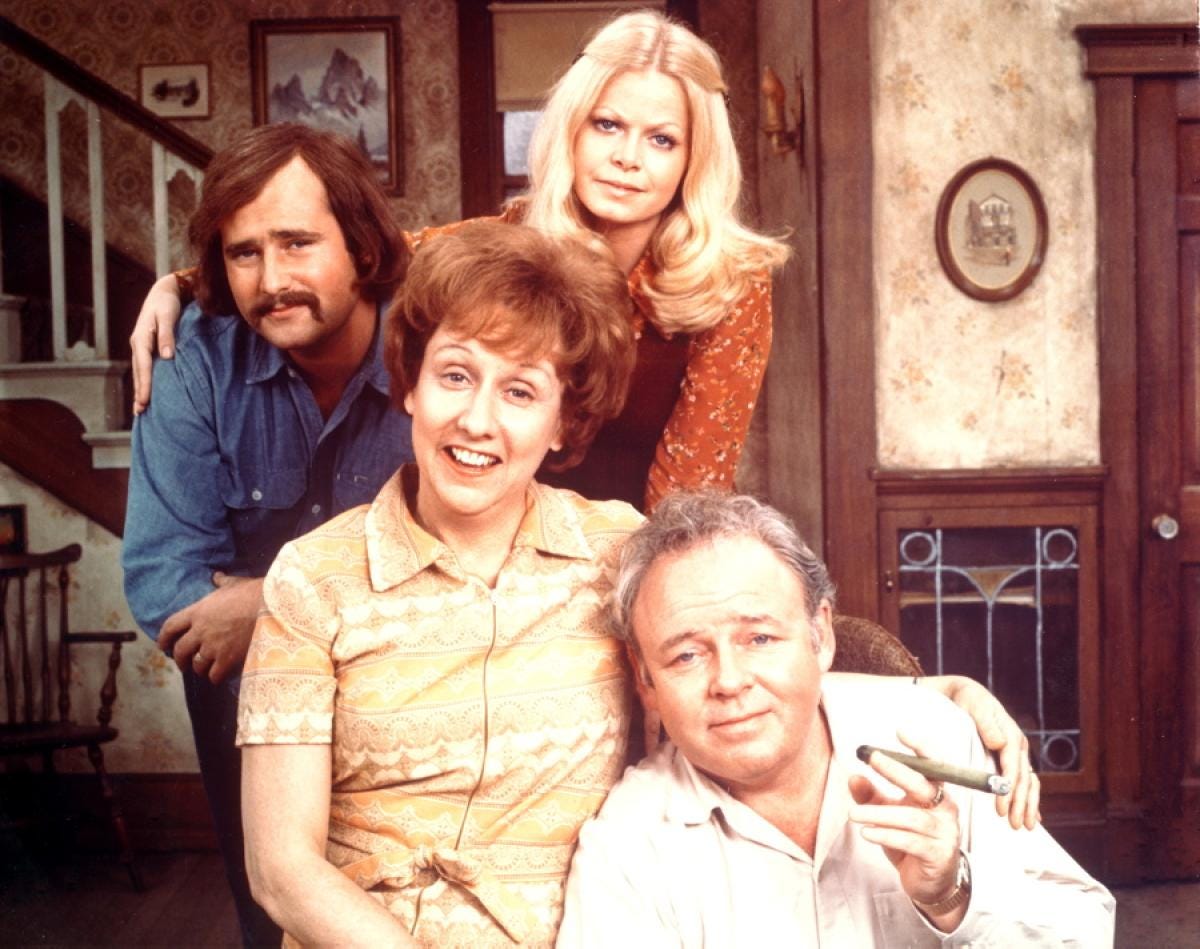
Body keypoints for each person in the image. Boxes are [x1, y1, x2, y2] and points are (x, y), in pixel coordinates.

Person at [127, 10, 788, 512]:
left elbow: (688, 492)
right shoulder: (509, 238)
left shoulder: (731, 283)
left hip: (639, 549)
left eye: (662, 139)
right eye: (607, 125)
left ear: (695, 158)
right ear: (572, 129)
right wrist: (181, 284)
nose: (627, 158)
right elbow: (364, 255)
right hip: (497, 538)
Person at [236, 220, 640, 947]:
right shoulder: (313, 578)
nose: (476, 420)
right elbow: (280, 869)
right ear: (411, 387)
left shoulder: (619, 555)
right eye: (455, 375)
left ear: (563, 423)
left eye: (520, 391)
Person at [558, 492, 1115, 947]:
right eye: (686, 655)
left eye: (759, 639)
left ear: (820, 635)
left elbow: (1084, 934)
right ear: (645, 679)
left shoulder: (929, 735)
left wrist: (952, 896)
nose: (729, 681)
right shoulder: (627, 845)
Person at [122, 123, 413, 947]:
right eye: (244, 253)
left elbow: (469, 541)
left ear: (360, 246)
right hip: (252, 698)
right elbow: (166, 580)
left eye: (297, 243)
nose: (272, 279)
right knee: (278, 923)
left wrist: (269, 602)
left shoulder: (434, 343)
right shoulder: (191, 361)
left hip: (415, 669)